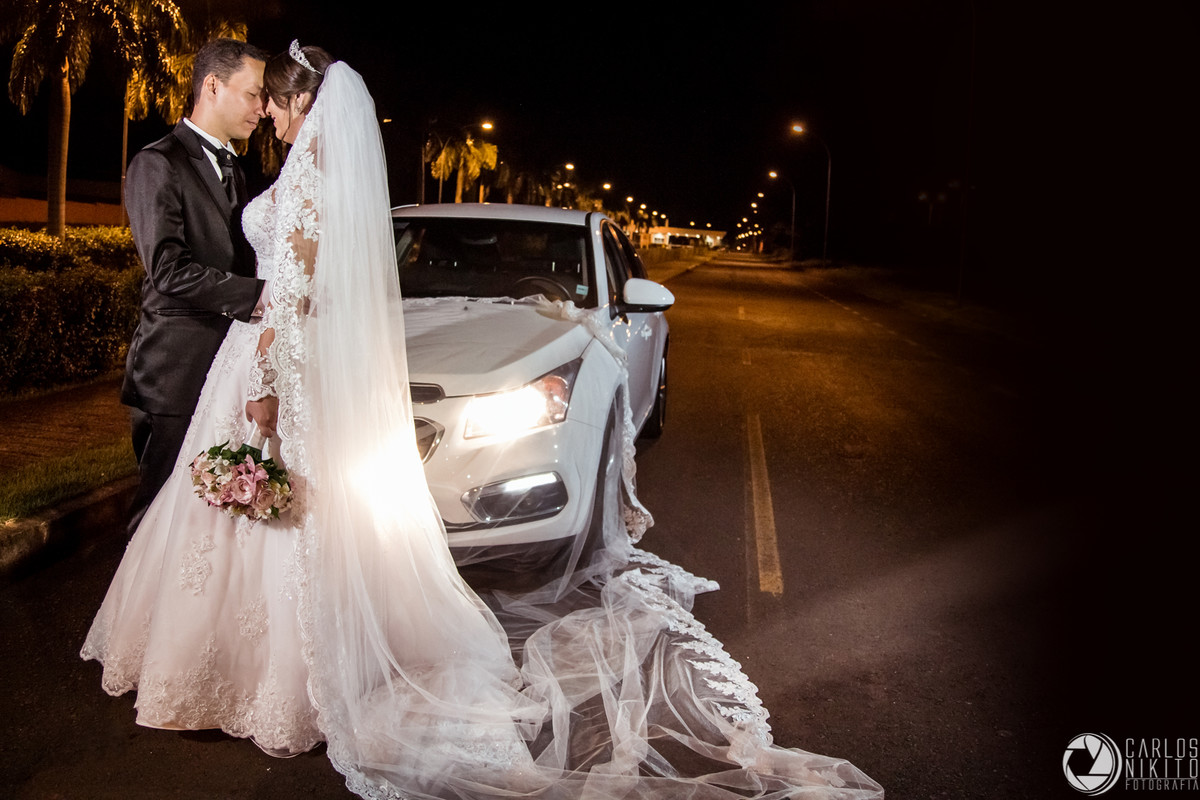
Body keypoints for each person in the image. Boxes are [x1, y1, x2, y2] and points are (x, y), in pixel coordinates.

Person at [84, 41, 883, 800]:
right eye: (257, 98)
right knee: (257, 521)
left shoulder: (303, 177)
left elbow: (291, 296)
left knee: (280, 519)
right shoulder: (266, 171)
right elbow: (257, 279)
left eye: (274, 101)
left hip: (270, 360)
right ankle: (248, 661)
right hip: (248, 359)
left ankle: (280, 675)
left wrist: (265, 375)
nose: (267, 113)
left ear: (303, 105)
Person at [121, 38, 269, 538]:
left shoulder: (236, 169)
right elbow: (167, 269)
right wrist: (256, 295)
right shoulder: (156, 163)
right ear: (212, 86)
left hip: (227, 365)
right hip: (174, 369)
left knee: (206, 518)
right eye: (252, 94)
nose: (261, 108)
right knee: (157, 515)